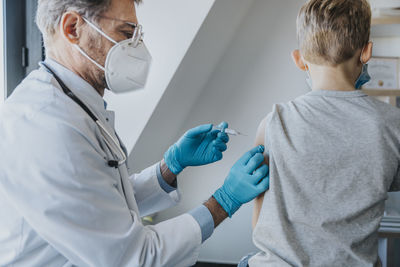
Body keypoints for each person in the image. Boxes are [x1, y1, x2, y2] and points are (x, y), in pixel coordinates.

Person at [0, 0, 270, 266]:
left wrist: (171, 166)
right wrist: (224, 201)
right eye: (126, 33)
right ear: (73, 28)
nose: (137, 48)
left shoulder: (74, 104)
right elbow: (134, 258)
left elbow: (102, 206)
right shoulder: (48, 127)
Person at [245, 0, 400, 266]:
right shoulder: (392, 124)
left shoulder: (273, 122)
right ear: (366, 52)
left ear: (298, 59)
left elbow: (259, 223)